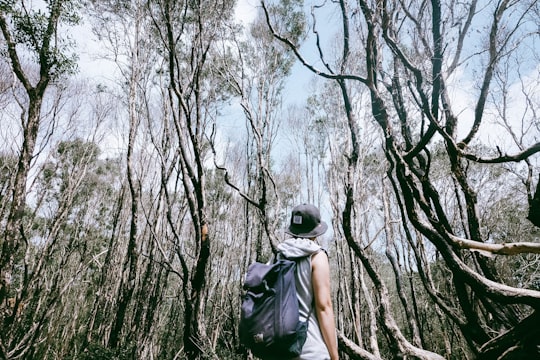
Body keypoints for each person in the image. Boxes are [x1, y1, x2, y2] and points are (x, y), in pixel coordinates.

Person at [277, 203, 339, 360]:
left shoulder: (278, 255)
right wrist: (334, 355)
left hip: (279, 347)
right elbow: (324, 307)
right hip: (310, 349)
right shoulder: (317, 256)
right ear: (315, 231)